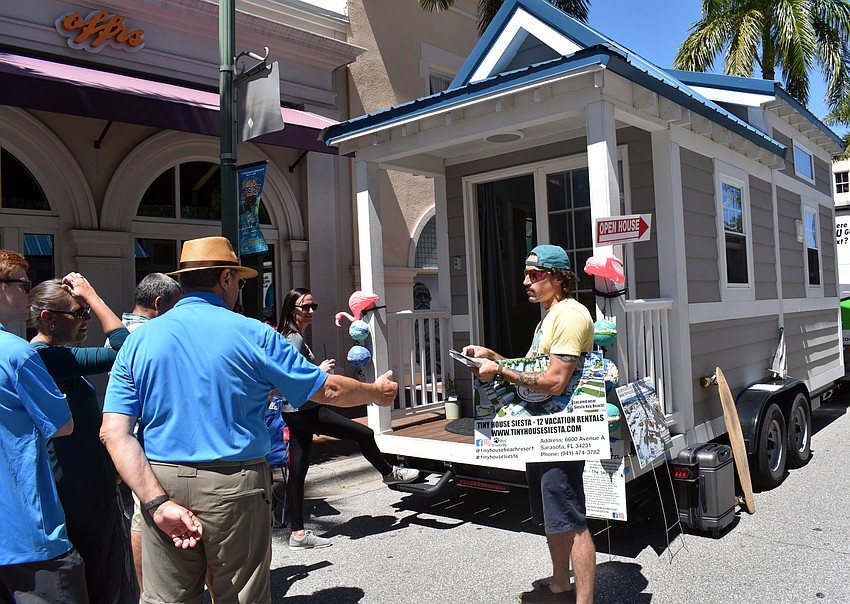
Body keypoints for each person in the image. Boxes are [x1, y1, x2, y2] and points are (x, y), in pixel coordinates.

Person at [99, 236, 399, 604]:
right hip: (234, 484)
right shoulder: (252, 333)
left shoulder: (139, 341)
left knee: (167, 600)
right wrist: (375, 391)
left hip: (160, 478)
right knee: (239, 597)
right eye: (239, 281)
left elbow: (114, 433)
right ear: (225, 278)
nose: (239, 289)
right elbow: (327, 391)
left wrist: (155, 501)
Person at [463, 245, 595, 604]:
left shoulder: (569, 315)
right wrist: (493, 357)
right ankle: (559, 587)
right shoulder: (548, 317)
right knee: (555, 516)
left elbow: (554, 382)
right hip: (543, 432)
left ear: (557, 277)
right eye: (525, 274)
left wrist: (499, 371)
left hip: (562, 433)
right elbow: (535, 372)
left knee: (572, 518)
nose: (526, 282)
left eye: (534, 275)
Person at [275, 288, 418, 549]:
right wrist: (319, 370)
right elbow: (290, 375)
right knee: (363, 433)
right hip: (306, 409)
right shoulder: (293, 339)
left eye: (313, 306)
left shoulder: (288, 336)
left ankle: (297, 533)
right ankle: (388, 472)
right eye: (304, 307)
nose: (310, 312)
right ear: (291, 309)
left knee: (297, 470)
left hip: (293, 411)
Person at [30, 273, 139, 604]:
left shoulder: (59, 358)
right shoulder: (46, 359)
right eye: (79, 312)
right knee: (94, 578)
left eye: (86, 310)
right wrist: (93, 295)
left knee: (101, 575)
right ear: (48, 319)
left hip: (89, 483)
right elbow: (125, 349)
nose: (87, 318)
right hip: (74, 489)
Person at [0, 249, 88, 603]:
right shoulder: (17, 354)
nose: (29, 293)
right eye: (23, 284)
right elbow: (62, 425)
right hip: (27, 535)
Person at [112, 273, 182, 599]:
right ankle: (149, 593)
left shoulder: (122, 335)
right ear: (158, 304)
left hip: (132, 445)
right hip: (149, 445)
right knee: (145, 516)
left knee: (142, 516)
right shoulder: (149, 337)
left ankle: (146, 592)